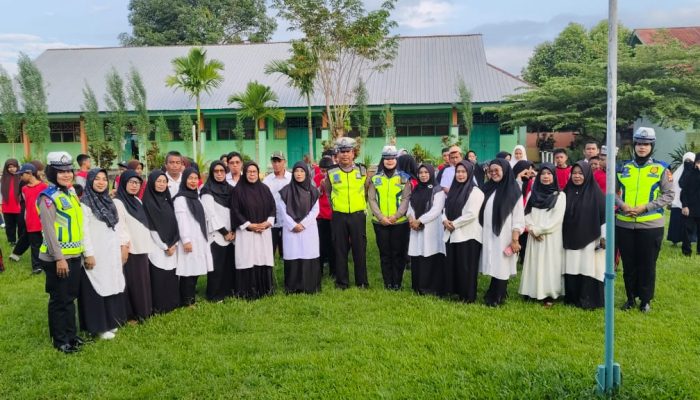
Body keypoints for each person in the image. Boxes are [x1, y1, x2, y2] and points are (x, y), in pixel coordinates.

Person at [616, 127, 674, 312]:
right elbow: (611, 192)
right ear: (634, 145)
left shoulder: (661, 168)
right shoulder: (623, 167)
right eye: (639, 143)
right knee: (629, 263)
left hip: (650, 225)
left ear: (652, 146)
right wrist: (623, 205)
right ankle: (630, 298)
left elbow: (669, 194)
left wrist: (645, 207)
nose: (642, 147)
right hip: (624, 223)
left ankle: (646, 300)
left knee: (647, 264)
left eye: (646, 144)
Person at [37, 152, 87, 353]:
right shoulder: (48, 197)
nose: (66, 175)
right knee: (59, 299)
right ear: (52, 173)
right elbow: (49, 232)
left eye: (69, 171)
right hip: (57, 258)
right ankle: (60, 340)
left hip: (74, 255)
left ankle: (72, 335)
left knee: (70, 298)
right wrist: (59, 258)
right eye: (61, 172)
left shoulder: (71, 193)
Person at [79, 168, 127, 340]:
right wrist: (89, 254)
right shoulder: (84, 204)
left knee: (110, 284)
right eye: (97, 179)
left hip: (110, 252)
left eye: (104, 179)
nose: (101, 182)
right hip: (95, 253)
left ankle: (110, 321)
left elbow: (118, 227)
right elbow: (83, 232)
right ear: (90, 181)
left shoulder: (109, 201)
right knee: (96, 286)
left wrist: (123, 246)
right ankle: (98, 327)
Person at [323, 137, 369, 289]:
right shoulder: (331, 172)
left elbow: (367, 190)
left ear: (353, 153)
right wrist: (335, 206)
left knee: (359, 249)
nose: (345, 155)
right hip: (339, 215)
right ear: (337, 154)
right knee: (340, 248)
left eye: (348, 151)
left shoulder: (362, 170)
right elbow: (328, 192)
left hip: (357, 215)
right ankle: (342, 282)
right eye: (342, 152)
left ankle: (361, 281)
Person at [518, 163, 566, 306]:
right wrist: (531, 229)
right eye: (543, 174)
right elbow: (525, 214)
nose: (545, 177)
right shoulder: (533, 193)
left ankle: (549, 294)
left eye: (549, 174)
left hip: (550, 237)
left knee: (549, 264)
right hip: (534, 235)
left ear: (554, 176)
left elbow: (557, 220)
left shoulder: (560, 196)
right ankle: (532, 291)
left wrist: (539, 230)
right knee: (534, 262)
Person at [479, 158, 524, 307]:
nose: (493, 173)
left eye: (497, 170)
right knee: (494, 263)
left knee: (502, 265)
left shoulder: (513, 190)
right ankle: (494, 290)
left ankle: (497, 296)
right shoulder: (487, 187)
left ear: (505, 170)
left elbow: (518, 217)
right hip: (487, 232)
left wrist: (515, 238)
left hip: (505, 234)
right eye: (491, 171)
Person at [563, 161, 606, 309]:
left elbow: (604, 217)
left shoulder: (596, 194)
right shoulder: (566, 192)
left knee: (587, 267)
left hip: (590, 239)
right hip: (569, 238)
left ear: (587, 175)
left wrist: (603, 238)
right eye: (574, 173)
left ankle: (588, 299)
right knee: (572, 266)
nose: (577, 176)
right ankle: (572, 298)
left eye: (580, 173)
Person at [368, 146, 412, 290]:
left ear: (396, 159)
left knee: (398, 254)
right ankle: (388, 282)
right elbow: (372, 199)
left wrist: (396, 216)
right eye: (386, 158)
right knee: (385, 253)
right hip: (380, 223)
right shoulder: (376, 178)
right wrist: (381, 217)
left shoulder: (404, 177)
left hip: (399, 223)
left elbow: (406, 199)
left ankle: (397, 283)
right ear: (383, 160)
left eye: (392, 158)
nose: (389, 161)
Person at [230, 162, 276, 299]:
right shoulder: (238, 190)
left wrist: (267, 223)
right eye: (249, 172)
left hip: (263, 232)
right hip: (247, 233)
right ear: (245, 173)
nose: (251, 174)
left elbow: (273, 207)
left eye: (254, 172)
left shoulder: (265, 189)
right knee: (248, 259)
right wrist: (249, 225)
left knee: (262, 259)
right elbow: (235, 210)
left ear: (258, 173)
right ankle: (247, 292)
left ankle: (264, 290)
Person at [442, 160, 485, 302]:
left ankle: (468, 296)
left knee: (467, 267)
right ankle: (457, 292)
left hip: (469, 236)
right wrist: (444, 220)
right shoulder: (454, 189)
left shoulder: (476, 191)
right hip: (453, 233)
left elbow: (472, 214)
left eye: (463, 172)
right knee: (456, 265)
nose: (460, 175)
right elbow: (445, 207)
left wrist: (453, 224)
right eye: (458, 172)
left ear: (469, 173)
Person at [114, 170, 153, 321]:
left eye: (137, 183)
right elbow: (120, 227)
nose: (134, 186)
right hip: (130, 249)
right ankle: (131, 315)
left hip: (142, 247)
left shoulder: (137, 200)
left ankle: (144, 311)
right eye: (131, 182)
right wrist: (124, 247)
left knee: (141, 281)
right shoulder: (118, 202)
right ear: (123, 183)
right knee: (131, 283)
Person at [277, 162, 322, 293]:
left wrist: (303, 224)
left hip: (308, 229)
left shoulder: (313, 191)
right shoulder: (285, 191)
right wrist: (293, 225)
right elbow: (282, 210)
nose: (299, 174)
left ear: (307, 173)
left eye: (302, 171)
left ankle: (310, 286)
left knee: (308, 254)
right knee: (294, 254)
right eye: (296, 171)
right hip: (291, 231)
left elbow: (315, 210)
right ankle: (293, 287)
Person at [173, 168, 214, 306]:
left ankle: (191, 300)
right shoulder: (180, 199)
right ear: (184, 179)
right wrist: (186, 240)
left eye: (195, 178)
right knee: (187, 272)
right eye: (190, 178)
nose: (193, 181)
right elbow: (181, 221)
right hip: (189, 240)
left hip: (199, 238)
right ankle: (186, 302)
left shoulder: (196, 196)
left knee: (195, 269)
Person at [142, 170, 180, 314]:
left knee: (171, 275)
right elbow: (151, 228)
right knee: (159, 276)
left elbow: (175, 223)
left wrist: (174, 243)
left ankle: (172, 303)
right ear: (152, 182)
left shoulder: (167, 200)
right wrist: (165, 246)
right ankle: (159, 306)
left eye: (164, 181)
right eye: (158, 181)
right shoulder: (148, 202)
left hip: (172, 245)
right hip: (157, 247)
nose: (161, 184)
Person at [407, 164, 446, 295]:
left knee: (429, 255)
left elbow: (436, 209)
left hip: (431, 228)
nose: (423, 175)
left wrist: (420, 221)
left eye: (426, 172)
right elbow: (410, 205)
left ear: (431, 173)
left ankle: (430, 288)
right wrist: (411, 218)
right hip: (416, 227)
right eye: (421, 172)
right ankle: (418, 286)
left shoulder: (438, 190)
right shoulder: (416, 188)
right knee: (418, 254)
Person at [200, 161, 235, 301]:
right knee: (216, 266)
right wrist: (225, 232)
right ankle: (214, 295)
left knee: (228, 266)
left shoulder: (230, 189)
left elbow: (235, 210)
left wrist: (233, 231)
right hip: (217, 234)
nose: (219, 174)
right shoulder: (206, 189)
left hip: (231, 234)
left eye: (222, 171)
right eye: (216, 171)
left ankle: (228, 292)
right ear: (212, 173)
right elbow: (210, 214)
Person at [9, 163, 47, 273]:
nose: (20, 177)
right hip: (30, 220)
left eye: (22, 174)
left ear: (30, 173)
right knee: (35, 244)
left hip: (42, 220)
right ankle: (37, 267)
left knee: (41, 242)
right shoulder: (24, 188)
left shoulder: (44, 187)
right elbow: (26, 204)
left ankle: (16, 254)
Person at [263, 151, 292, 259]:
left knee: (287, 253)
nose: (276, 164)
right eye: (274, 161)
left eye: (279, 161)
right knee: (270, 252)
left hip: (288, 221)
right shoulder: (267, 180)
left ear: (284, 162)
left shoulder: (291, 178)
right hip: (272, 221)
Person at [313, 156, 335, 277]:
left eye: (326, 171)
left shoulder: (336, 177)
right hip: (320, 217)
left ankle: (333, 271)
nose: (324, 173)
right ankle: (319, 271)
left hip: (333, 216)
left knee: (333, 245)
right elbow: (313, 195)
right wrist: (321, 187)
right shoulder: (316, 178)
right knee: (320, 244)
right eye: (322, 170)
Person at [669, 152, 697, 245]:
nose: (688, 162)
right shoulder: (677, 173)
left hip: (692, 204)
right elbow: (671, 187)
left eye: (690, 161)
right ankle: (675, 240)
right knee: (676, 222)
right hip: (677, 203)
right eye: (686, 160)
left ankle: (691, 239)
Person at [679, 153, 700, 256]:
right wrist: (685, 206)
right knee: (687, 231)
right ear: (696, 162)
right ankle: (686, 252)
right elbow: (683, 188)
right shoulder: (689, 172)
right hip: (690, 207)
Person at [1, 159, 22, 245]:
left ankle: (21, 241)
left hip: (19, 206)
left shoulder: (21, 177)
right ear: (6, 168)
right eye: (9, 167)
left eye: (14, 166)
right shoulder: (3, 178)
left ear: (17, 167)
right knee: (9, 226)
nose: (12, 169)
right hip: (7, 206)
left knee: (21, 225)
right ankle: (11, 241)